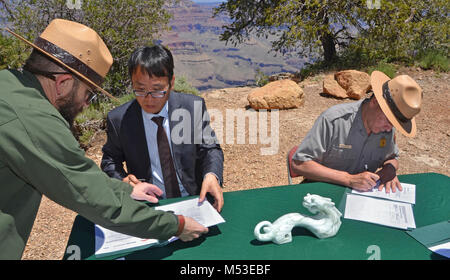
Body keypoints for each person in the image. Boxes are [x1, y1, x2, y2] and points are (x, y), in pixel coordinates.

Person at [0, 19, 208, 260]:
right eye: (88, 93)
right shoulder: (33, 118)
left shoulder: (9, 86)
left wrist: (125, 190)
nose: (86, 104)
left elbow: (84, 179)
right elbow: (90, 195)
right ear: (63, 83)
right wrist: (176, 225)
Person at [101, 45, 224, 212]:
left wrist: (211, 175)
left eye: (158, 90)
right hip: (149, 204)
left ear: (171, 83)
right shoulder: (119, 119)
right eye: (141, 90)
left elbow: (210, 148)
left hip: (193, 199)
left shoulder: (192, 107)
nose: (149, 99)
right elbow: (110, 160)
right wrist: (123, 181)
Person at [291, 72, 423, 193]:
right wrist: (348, 179)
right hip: (320, 193)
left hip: (360, 200)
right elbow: (299, 164)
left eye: (394, 124)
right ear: (375, 101)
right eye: (389, 120)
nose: (389, 129)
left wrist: (390, 169)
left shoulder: (386, 128)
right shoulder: (334, 120)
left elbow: (392, 158)